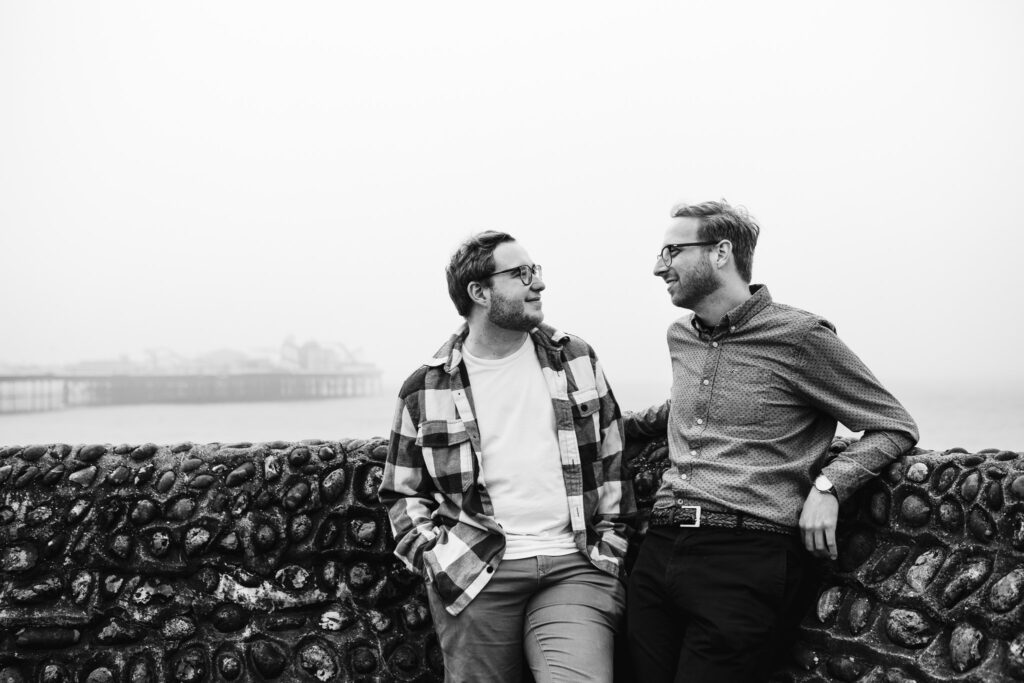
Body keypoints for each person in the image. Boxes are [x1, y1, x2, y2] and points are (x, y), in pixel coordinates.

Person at [625, 200, 919, 682]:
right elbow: (678, 409)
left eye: (672, 251)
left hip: (745, 555)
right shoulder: (681, 336)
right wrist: (592, 425)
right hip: (659, 545)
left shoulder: (801, 335)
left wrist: (830, 487)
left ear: (721, 253)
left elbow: (892, 423)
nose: (659, 267)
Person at [379, 231, 633, 683]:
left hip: (574, 563)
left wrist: (612, 537)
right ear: (479, 292)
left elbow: (612, 450)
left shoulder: (575, 358)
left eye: (536, 271)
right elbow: (402, 491)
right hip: (475, 571)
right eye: (521, 274)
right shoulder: (426, 387)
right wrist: (435, 558)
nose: (538, 284)